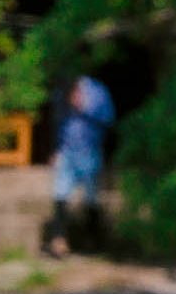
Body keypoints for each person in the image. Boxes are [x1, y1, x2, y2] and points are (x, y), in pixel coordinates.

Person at [47, 73, 121, 255]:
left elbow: (109, 120)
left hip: (90, 150)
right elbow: (56, 121)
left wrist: (84, 109)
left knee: (91, 198)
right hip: (67, 151)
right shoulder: (61, 92)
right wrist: (55, 149)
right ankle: (59, 240)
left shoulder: (98, 92)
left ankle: (94, 242)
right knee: (60, 194)